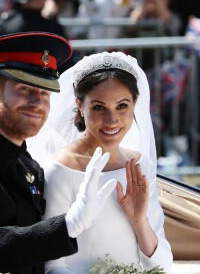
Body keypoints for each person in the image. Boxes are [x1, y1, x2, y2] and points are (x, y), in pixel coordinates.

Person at [0, 31, 117, 274]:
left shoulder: (29, 167)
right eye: (25, 88)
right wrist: (67, 226)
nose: (37, 102)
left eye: (45, 93)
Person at [27, 51, 173, 273]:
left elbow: (163, 265)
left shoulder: (139, 165)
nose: (112, 119)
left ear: (135, 102)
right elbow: (52, 265)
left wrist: (140, 222)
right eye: (98, 107)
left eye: (122, 106)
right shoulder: (60, 168)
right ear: (80, 105)